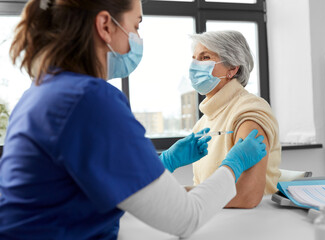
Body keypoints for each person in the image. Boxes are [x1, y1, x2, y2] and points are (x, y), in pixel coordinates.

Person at [0, 0, 267, 239]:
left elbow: (94, 176)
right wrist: (234, 164)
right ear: (105, 25)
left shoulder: (41, 90)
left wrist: (165, 162)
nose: (137, 37)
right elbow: (187, 218)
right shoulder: (90, 100)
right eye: (136, 26)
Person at [189, 30, 281, 208]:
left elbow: (246, 195)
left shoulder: (249, 111)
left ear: (233, 68)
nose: (195, 65)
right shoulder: (203, 122)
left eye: (205, 57)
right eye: (194, 58)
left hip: (251, 223)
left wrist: (180, 197)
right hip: (214, 217)